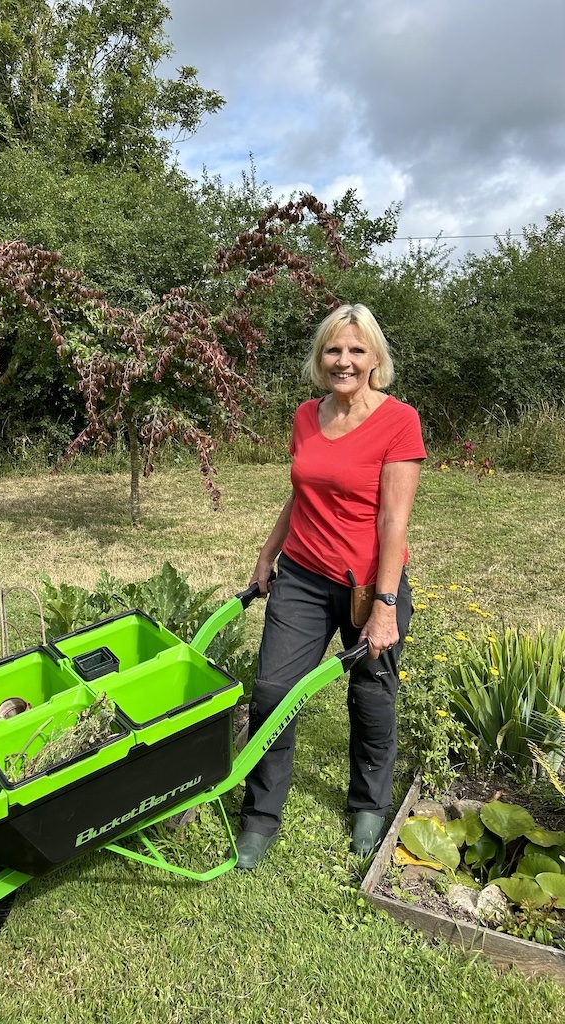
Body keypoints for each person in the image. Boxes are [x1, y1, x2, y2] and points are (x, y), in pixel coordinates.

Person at [236, 303, 426, 869]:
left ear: (375, 359)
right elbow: (303, 493)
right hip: (301, 575)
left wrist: (386, 606)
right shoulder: (305, 416)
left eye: (355, 351)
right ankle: (261, 816)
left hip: (370, 585)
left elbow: (394, 522)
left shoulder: (398, 421)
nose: (343, 361)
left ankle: (369, 804)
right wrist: (268, 553)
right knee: (271, 692)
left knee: (371, 695)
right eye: (333, 350)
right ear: (321, 358)